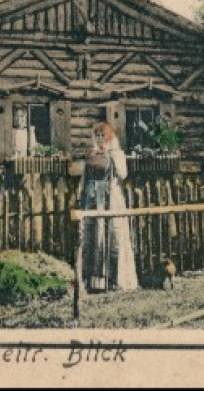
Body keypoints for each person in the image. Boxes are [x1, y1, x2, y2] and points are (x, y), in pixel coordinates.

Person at [77, 124, 139, 292]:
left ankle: (116, 280)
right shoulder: (91, 155)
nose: (99, 139)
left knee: (113, 235)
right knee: (94, 235)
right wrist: (80, 194)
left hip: (111, 198)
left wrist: (112, 156)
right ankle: (94, 281)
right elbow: (84, 177)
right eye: (96, 136)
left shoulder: (116, 154)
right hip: (92, 199)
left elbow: (123, 174)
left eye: (102, 136)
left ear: (110, 138)